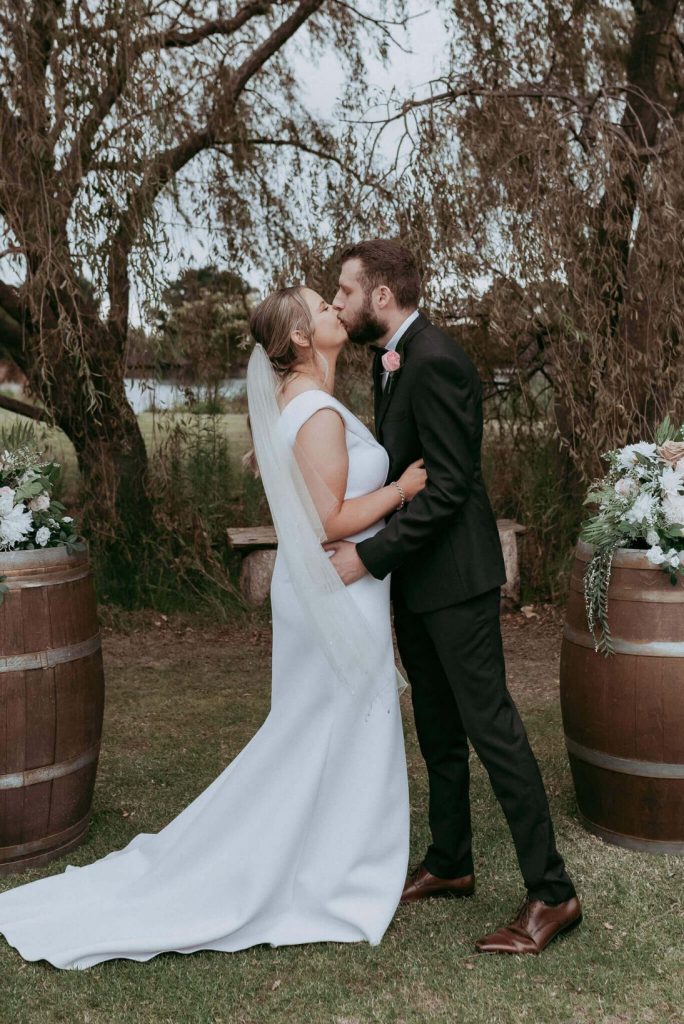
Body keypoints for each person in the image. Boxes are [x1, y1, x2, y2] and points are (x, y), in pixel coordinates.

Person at [0, 285, 427, 970]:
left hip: (327, 586)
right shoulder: (313, 411)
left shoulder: (302, 404)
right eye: (320, 308)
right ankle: (339, 874)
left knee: (327, 729)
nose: (332, 313)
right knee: (330, 727)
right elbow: (330, 520)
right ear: (296, 340)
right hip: (333, 587)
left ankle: (338, 857)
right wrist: (406, 488)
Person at [326, 239, 582, 955]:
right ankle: (450, 860)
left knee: (492, 730)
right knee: (437, 730)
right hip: (417, 583)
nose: (338, 304)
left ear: (381, 295)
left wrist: (368, 556)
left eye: (345, 292)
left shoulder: (435, 359)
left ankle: (554, 894)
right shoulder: (392, 359)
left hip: (456, 583)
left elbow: (447, 487)